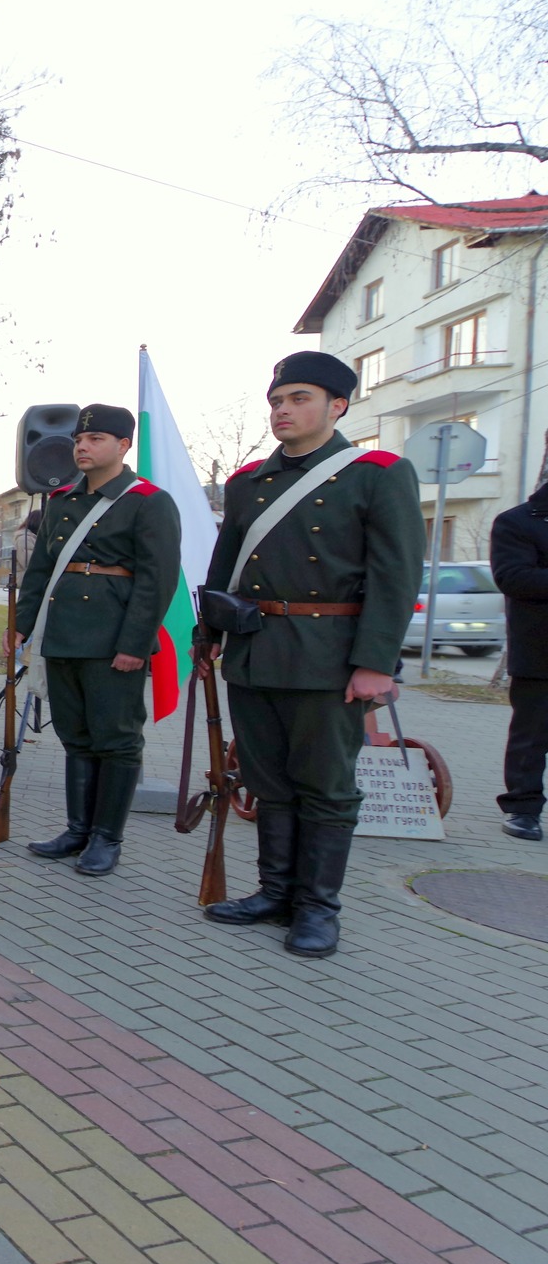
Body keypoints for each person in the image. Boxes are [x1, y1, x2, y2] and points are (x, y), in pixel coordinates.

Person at [198, 351, 422, 958]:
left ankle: (318, 908)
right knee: (268, 781)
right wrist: (209, 632)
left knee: (325, 787)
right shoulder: (248, 482)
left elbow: (396, 575)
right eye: (277, 400)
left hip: (330, 656)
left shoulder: (377, 473)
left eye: (299, 399)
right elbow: (226, 564)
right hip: (255, 650)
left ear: (337, 406)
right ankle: (276, 893)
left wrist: (376, 663)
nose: (284, 410)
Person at [6, 404, 182, 877]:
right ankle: (77, 830)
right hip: (63, 633)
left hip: (112, 638)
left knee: (116, 739)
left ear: (123, 446)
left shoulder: (148, 501)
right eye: (79, 440)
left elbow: (157, 581)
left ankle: (107, 838)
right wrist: (21, 624)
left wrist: (135, 644)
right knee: (76, 736)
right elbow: (41, 570)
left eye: (96, 439)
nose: (82, 447)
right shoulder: (62, 500)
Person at [491, 480, 548, 840]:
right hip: (541, 651)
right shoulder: (518, 521)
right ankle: (523, 809)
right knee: (532, 737)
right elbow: (513, 577)